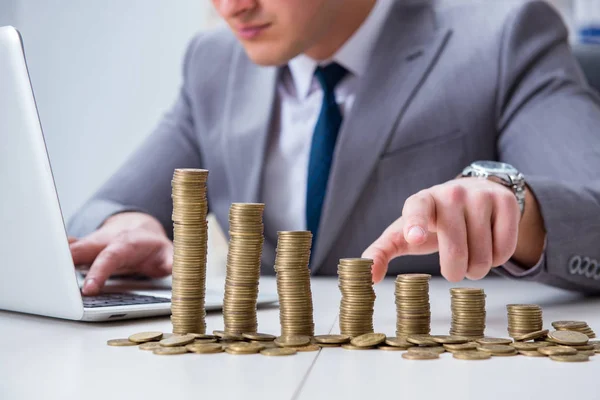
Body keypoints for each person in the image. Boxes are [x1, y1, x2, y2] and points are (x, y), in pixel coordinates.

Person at [68, 0, 600, 296]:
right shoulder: (214, 62)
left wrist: (515, 210)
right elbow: (103, 209)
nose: (231, 7)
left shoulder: (505, 37)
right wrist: (126, 224)